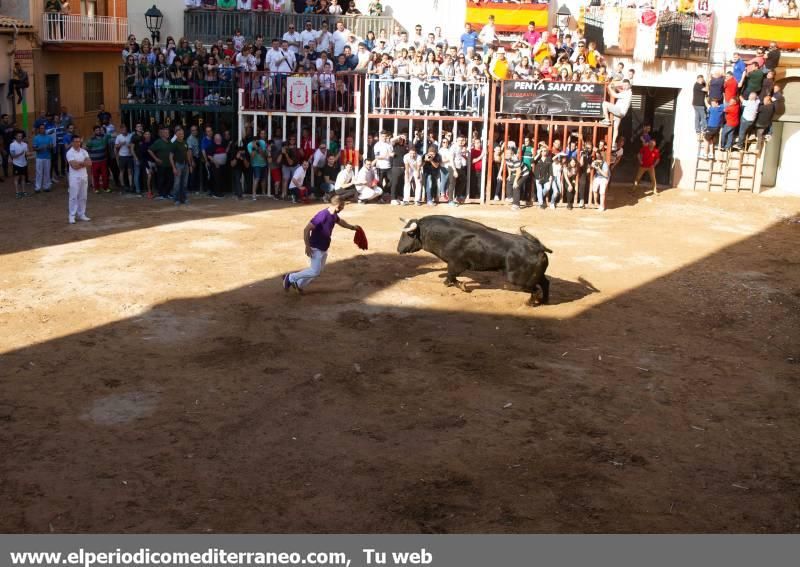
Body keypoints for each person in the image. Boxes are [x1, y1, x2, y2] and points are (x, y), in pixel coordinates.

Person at [282, 195, 360, 294]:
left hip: (323, 247)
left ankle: (299, 284)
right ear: (337, 206)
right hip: (315, 247)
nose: (343, 208)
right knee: (315, 271)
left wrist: (352, 227)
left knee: (317, 270)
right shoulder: (322, 215)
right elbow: (307, 229)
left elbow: (340, 222)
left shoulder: (333, 214)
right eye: (342, 206)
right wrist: (307, 246)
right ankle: (290, 277)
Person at [66, 135, 92, 224]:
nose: (78, 143)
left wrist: (80, 163)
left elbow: (90, 163)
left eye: (79, 141)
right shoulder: (69, 153)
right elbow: (74, 166)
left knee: (83, 197)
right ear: (72, 142)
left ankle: (82, 214)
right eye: (76, 141)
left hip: (84, 176)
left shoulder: (84, 151)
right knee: (73, 197)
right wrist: (83, 163)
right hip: (74, 178)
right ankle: (72, 216)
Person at [601, 80, 632, 147]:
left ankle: (606, 119)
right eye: (624, 85)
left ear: (629, 86)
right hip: (621, 113)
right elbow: (619, 90)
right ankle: (613, 144)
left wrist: (609, 87)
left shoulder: (627, 93)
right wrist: (616, 86)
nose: (624, 86)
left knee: (604, 104)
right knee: (615, 128)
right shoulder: (627, 92)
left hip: (619, 110)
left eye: (626, 85)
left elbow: (614, 95)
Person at [148, 127, 175, 200]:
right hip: (161, 165)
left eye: (168, 133)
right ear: (162, 134)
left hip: (169, 165)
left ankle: (168, 193)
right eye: (165, 133)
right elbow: (150, 150)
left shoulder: (170, 142)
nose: (167, 134)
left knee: (170, 180)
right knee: (161, 180)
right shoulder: (158, 142)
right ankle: (161, 194)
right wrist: (156, 159)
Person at [171, 127, 194, 205]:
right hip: (178, 164)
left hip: (185, 164)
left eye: (182, 134)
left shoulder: (185, 143)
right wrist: (174, 167)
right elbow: (170, 157)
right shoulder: (174, 144)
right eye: (180, 134)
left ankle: (184, 199)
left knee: (184, 183)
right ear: (176, 135)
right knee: (177, 183)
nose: (181, 135)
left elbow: (187, 154)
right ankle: (176, 199)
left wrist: (190, 165)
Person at [32, 124, 53, 194]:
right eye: (41, 128)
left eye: (43, 128)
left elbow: (51, 147)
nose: (42, 130)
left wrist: (49, 147)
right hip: (39, 158)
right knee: (39, 173)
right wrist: (40, 148)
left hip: (47, 157)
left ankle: (46, 187)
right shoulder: (36, 138)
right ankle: (37, 187)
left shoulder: (49, 137)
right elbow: (34, 148)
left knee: (47, 172)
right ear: (39, 129)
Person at [532, 144, 553, 209]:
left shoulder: (549, 159)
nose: (544, 152)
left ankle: (540, 196)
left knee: (547, 188)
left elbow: (550, 168)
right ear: (541, 151)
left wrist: (551, 176)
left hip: (546, 177)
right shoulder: (537, 158)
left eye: (545, 151)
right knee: (539, 189)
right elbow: (532, 161)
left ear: (547, 152)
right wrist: (538, 154)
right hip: (538, 176)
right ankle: (541, 203)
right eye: (542, 151)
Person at [10, 131, 29, 199]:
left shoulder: (25, 144)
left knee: (23, 178)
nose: (20, 137)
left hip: (24, 163)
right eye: (19, 136)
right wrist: (20, 154)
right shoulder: (12, 144)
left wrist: (29, 154)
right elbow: (13, 155)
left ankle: (24, 191)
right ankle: (17, 192)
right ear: (15, 136)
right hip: (16, 164)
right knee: (17, 179)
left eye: (21, 136)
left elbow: (27, 153)